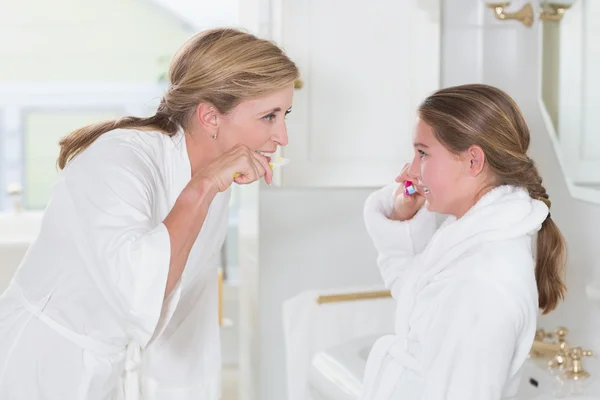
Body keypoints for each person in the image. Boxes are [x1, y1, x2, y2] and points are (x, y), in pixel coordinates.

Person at [0, 28, 298, 399]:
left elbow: (186, 318)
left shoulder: (212, 183)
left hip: (105, 373)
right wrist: (202, 187)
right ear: (210, 117)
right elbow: (135, 290)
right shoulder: (119, 161)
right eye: (269, 116)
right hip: (36, 365)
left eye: (285, 114)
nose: (283, 136)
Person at [361, 83, 567, 400]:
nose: (410, 171)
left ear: (473, 161)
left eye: (422, 153)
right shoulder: (473, 241)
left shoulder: (483, 283)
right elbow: (418, 301)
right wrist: (403, 218)